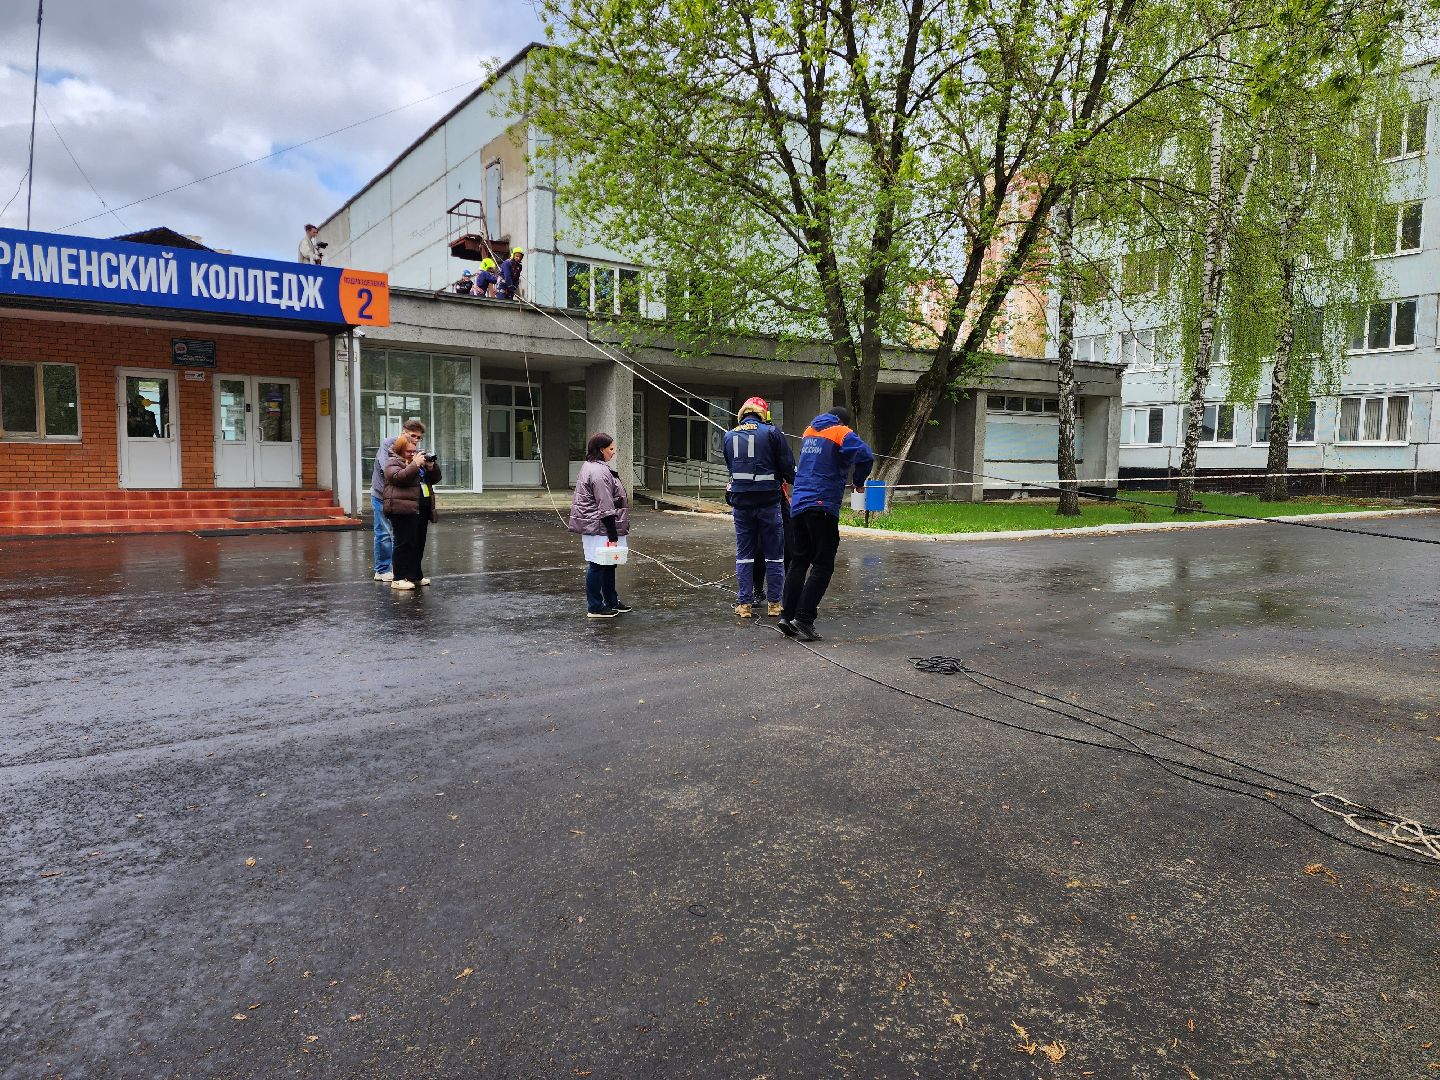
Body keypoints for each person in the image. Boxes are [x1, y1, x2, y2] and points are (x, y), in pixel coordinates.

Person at [779, 405, 873, 642]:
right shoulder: (841, 432)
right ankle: (804, 617)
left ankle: (786, 615)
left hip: (799, 504)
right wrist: (859, 481)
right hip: (822, 506)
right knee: (823, 564)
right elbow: (866, 456)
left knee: (799, 561)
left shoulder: (810, 431)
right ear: (843, 421)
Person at [723, 396, 794, 618]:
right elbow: (787, 466)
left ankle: (744, 605)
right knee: (774, 554)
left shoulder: (728, 436)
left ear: (742, 413)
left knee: (744, 554)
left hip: (741, 503)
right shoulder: (772, 433)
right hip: (769, 502)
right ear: (764, 414)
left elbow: (731, 467)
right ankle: (774, 604)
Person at [567, 432, 632, 619]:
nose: (614, 452)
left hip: (601, 525)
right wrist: (612, 532)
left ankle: (611, 601)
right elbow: (605, 504)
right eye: (611, 449)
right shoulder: (598, 472)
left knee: (609, 564)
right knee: (597, 564)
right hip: (599, 527)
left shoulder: (595, 467)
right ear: (601, 449)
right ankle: (595, 606)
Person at [383, 434, 441, 591]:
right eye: (409, 451)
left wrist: (430, 467)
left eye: (414, 451)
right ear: (400, 450)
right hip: (402, 509)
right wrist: (415, 464)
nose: (412, 454)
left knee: (418, 543)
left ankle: (415, 576)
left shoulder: (418, 464)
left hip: (420, 509)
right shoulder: (392, 463)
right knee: (404, 544)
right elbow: (399, 477)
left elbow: (435, 479)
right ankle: (399, 578)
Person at [370, 418, 426, 581]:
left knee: (401, 535)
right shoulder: (389, 444)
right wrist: (413, 464)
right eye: (412, 436)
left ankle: (400, 571)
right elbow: (389, 469)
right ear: (403, 432)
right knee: (384, 532)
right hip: (382, 494)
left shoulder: (413, 449)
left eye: (418, 438)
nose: (415, 440)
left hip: (401, 497)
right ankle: (381, 570)